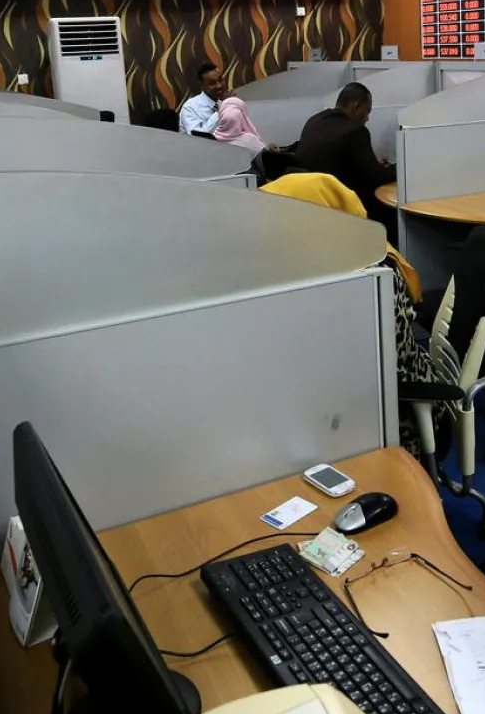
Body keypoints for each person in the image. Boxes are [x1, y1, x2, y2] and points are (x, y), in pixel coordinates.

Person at [259, 173, 448, 460]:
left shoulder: (370, 279)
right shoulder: (326, 266)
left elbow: (362, 372)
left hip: (391, 420)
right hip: (341, 411)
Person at [294, 82, 396, 234]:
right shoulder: (355, 131)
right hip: (344, 209)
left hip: (311, 202)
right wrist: (400, 168)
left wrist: (372, 165)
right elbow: (376, 177)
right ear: (356, 107)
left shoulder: (315, 120)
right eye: (367, 111)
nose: (367, 118)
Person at [178, 62, 227, 135]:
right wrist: (221, 110)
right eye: (212, 83)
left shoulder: (222, 103)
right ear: (202, 85)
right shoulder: (189, 108)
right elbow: (198, 137)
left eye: (220, 80)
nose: (219, 85)